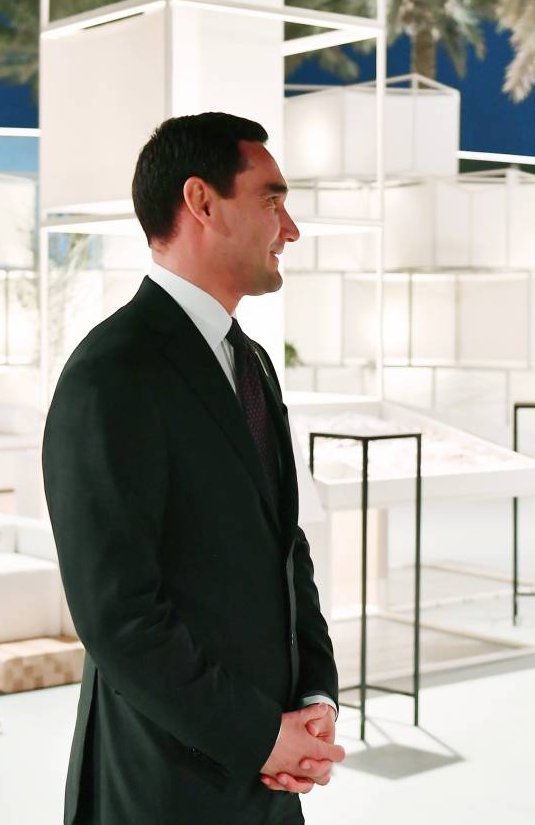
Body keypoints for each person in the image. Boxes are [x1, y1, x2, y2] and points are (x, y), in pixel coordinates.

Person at [43, 112, 344, 824]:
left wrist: (316, 695)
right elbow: (118, 617)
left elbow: (285, 544)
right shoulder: (112, 373)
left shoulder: (253, 362)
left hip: (269, 776)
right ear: (201, 202)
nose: (290, 229)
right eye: (272, 200)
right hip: (163, 781)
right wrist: (260, 736)